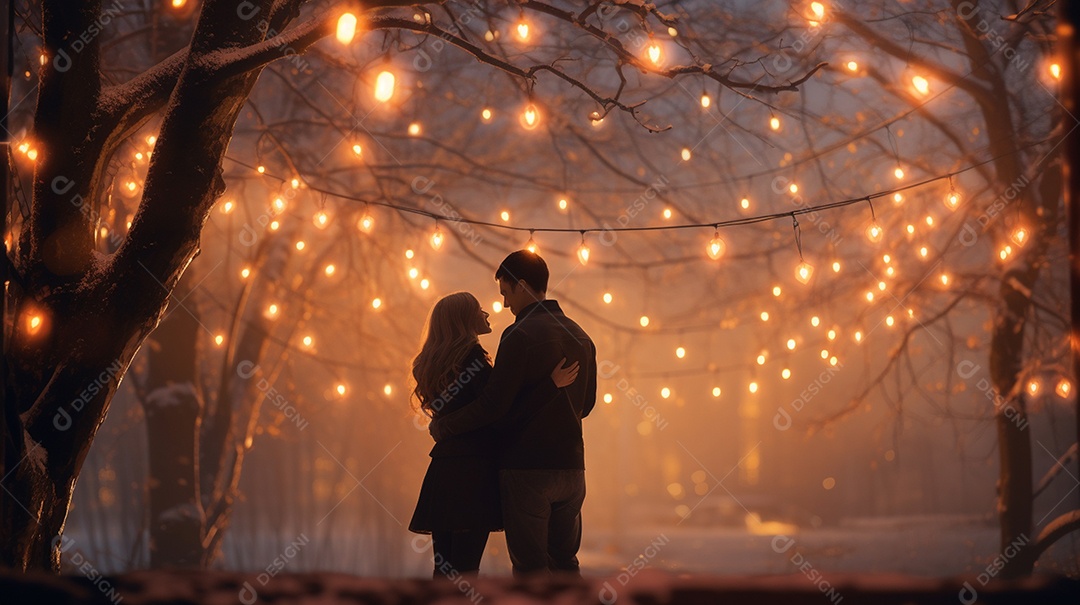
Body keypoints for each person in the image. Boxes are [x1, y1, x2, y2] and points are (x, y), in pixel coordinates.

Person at [431, 251, 597, 576]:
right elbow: (586, 406)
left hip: (527, 469)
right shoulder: (582, 336)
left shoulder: (518, 335)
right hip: (572, 468)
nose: (505, 304)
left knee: (529, 570)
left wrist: (446, 425)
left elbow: (493, 408)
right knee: (565, 564)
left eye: (506, 293)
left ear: (521, 285)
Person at [408, 291, 579, 578]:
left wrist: (443, 426)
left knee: (444, 569)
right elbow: (499, 411)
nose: (486, 314)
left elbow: (468, 412)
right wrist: (550, 386)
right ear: (464, 319)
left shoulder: (430, 365)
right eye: (479, 310)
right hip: (472, 473)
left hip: (442, 472)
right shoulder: (473, 360)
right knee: (466, 570)